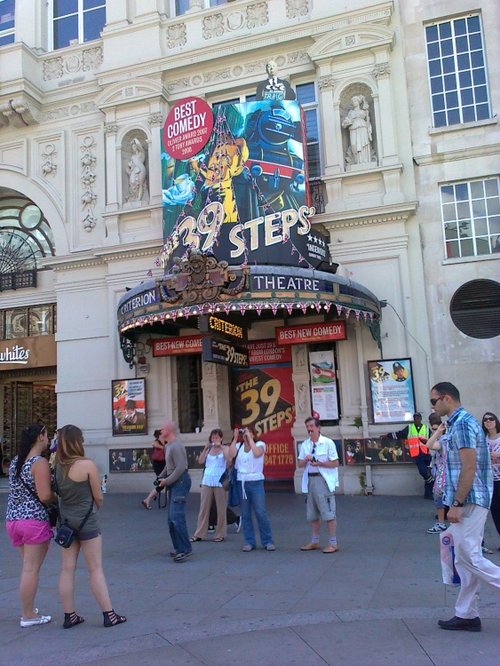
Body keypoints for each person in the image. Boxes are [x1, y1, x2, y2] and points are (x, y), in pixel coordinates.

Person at [430, 382, 500, 632]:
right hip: (467, 499)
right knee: (462, 556)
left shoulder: (462, 423)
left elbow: (469, 467)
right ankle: (467, 614)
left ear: (446, 398)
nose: (433, 406)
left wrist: (457, 504)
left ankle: (467, 614)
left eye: (434, 401)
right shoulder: (457, 422)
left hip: (470, 500)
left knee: (470, 556)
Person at [54, 424, 126, 628]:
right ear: (78, 442)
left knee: (67, 569)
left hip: (66, 523)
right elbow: (98, 497)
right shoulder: (87, 465)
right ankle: (109, 614)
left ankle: (69, 615)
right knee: (95, 569)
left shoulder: (58, 466)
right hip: (87, 522)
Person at [5, 424, 53, 627]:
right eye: (47, 434)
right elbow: (44, 496)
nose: (49, 438)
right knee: (31, 569)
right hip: (33, 520)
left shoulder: (17, 460)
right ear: (40, 437)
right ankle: (28, 615)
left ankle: (29, 609)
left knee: (27, 568)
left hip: (13, 520)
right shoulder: (39, 462)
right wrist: (55, 496)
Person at [227, 426, 275, 552]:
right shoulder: (239, 446)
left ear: (254, 434)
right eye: (245, 433)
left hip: (256, 482)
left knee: (260, 512)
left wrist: (250, 439)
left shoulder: (260, 444)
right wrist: (236, 438)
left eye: (249, 433)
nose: (246, 435)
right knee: (245, 514)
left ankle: (267, 541)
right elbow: (230, 455)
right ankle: (249, 541)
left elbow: (257, 453)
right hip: (241, 483)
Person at [297, 416, 340, 554]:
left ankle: (333, 543)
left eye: (311, 426)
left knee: (328, 513)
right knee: (313, 514)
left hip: (323, 480)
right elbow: (299, 464)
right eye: (307, 427)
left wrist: (320, 463)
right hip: (310, 481)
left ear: (318, 427)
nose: (309, 429)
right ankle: (315, 541)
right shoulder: (305, 445)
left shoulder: (328, 443)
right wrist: (306, 459)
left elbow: (335, 463)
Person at [157, 421, 192, 562]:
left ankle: (185, 549)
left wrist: (167, 481)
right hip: (174, 481)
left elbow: (180, 467)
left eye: (163, 428)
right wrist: (161, 476)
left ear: (169, 430)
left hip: (180, 481)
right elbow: (169, 465)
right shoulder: (168, 446)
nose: (161, 430)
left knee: (176, 517)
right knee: (171, 519)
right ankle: (179, 547)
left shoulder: (176, 446)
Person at [190, 429, 232, 543]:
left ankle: (220, 533)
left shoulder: (226, 448)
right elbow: (200, 461)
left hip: (219, 480)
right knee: (204, 507)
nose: (215, 440)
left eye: (217, 437)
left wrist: (222, 448)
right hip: (207, 479)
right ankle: (199, 533)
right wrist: (205, 448)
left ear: (221, 438)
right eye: (213, 437)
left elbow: (229, 461)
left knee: (221, 507)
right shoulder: (208, 449)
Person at [383, 413, 433, 499]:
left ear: (420, 419)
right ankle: (431, 484)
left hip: (426, 453)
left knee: (429, 473)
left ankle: (428, 494)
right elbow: (399, 434)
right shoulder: (409, 428)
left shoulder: (426, 428)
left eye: (418, 418)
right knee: (424, 472)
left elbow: (431, 439)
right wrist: (388, 435)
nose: (416, 420)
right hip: (417, 454)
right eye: (415, 418)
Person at [425, 413, 448, 534]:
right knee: (438, 497)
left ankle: (442, 523)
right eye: (432, 429)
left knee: (442, 497)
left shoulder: (444, 439)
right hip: (439, 471)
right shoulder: (441, 439)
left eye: (436, 429)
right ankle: (441, 522)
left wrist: (437, 433)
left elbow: (429, 445)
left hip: (446, 473)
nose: (434, 431)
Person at [482, 412, 500, 548]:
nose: (488, 422)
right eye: (485, 420)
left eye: (491, 419)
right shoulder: (483, 439)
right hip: (490, 480)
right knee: (495, 510)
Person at [342, 95, 373, 165]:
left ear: (359, 102)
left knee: (363, 144)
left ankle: (365, 160)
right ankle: (356, 161)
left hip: (362, 128)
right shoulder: (351, 112)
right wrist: (346, 123)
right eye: (353, 101)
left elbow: (367, 120)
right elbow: (347, 121)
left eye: (355, 101)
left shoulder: (363, 111)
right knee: (354, 145)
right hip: (353, 129)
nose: (354, 103)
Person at [141, 429, 165, 510]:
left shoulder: (166, 442)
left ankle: (148, 499)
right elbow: (154, 444)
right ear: (159, 435)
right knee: (161, 484)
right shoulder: (157, 442)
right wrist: (164, 447)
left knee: (165, 483)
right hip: (158, 465)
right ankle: (147, 500)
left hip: (165, 465)